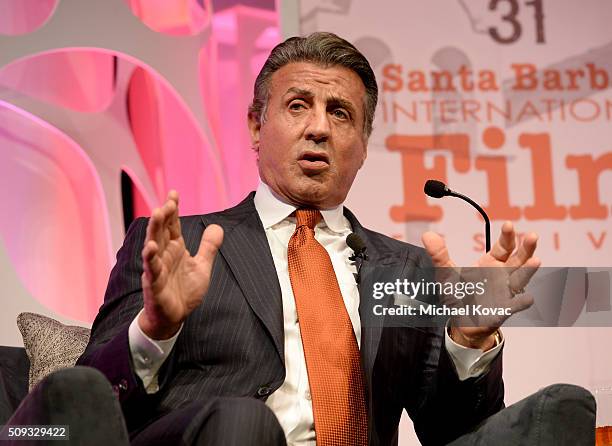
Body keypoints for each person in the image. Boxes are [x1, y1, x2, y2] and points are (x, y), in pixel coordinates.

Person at [76, 32, 544, 446]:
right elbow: (84, 408)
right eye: (297, 105)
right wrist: (154, 329)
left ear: (362, 146)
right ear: (256, 126)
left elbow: (455, 433)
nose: (318, 127)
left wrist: (468, 342)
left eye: (339, 113)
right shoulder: (182, 245)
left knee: (562, 406)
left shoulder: (406, 270)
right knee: (243, 421)